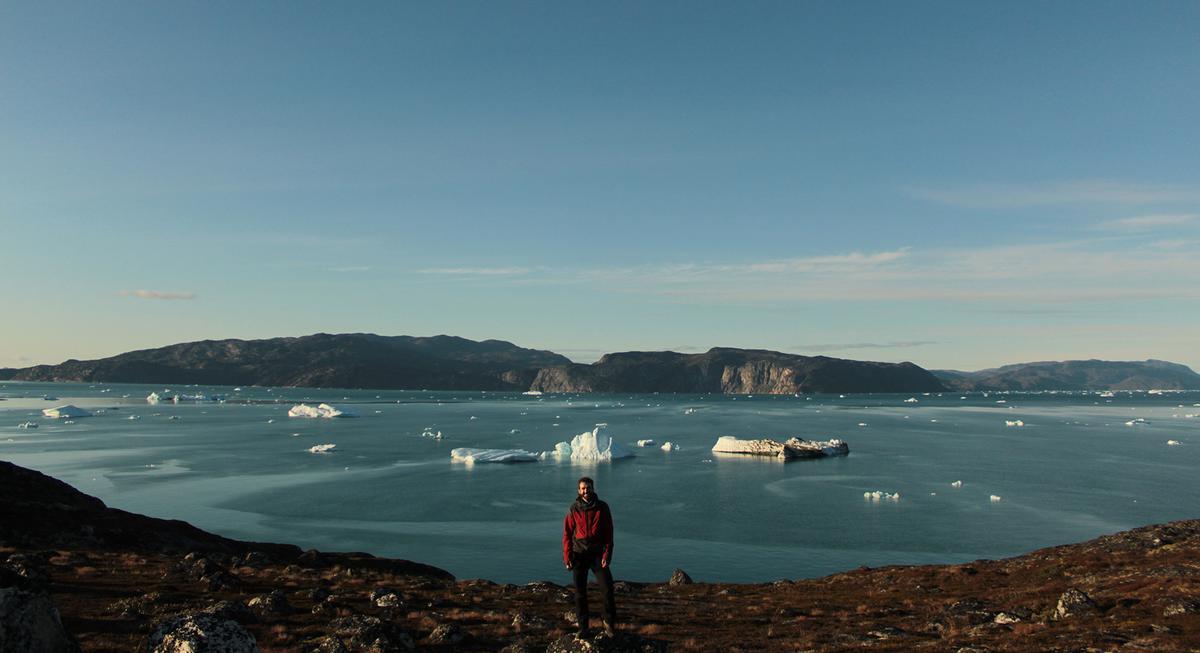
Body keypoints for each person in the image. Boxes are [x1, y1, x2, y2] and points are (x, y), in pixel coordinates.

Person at [562, 476, 616, 635]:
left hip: (598, 554)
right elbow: (567, 534)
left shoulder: (602, 507)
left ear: (593, 488)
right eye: (583, 488)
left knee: (607, 589)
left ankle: (608, 622)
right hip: (579, 555)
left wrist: (608, 553)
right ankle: (583, 627)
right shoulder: (574, 509)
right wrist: (567, 556)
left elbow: (609, 532)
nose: (586, 491)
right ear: (579, 491)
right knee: (580, 593)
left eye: (588, 487)